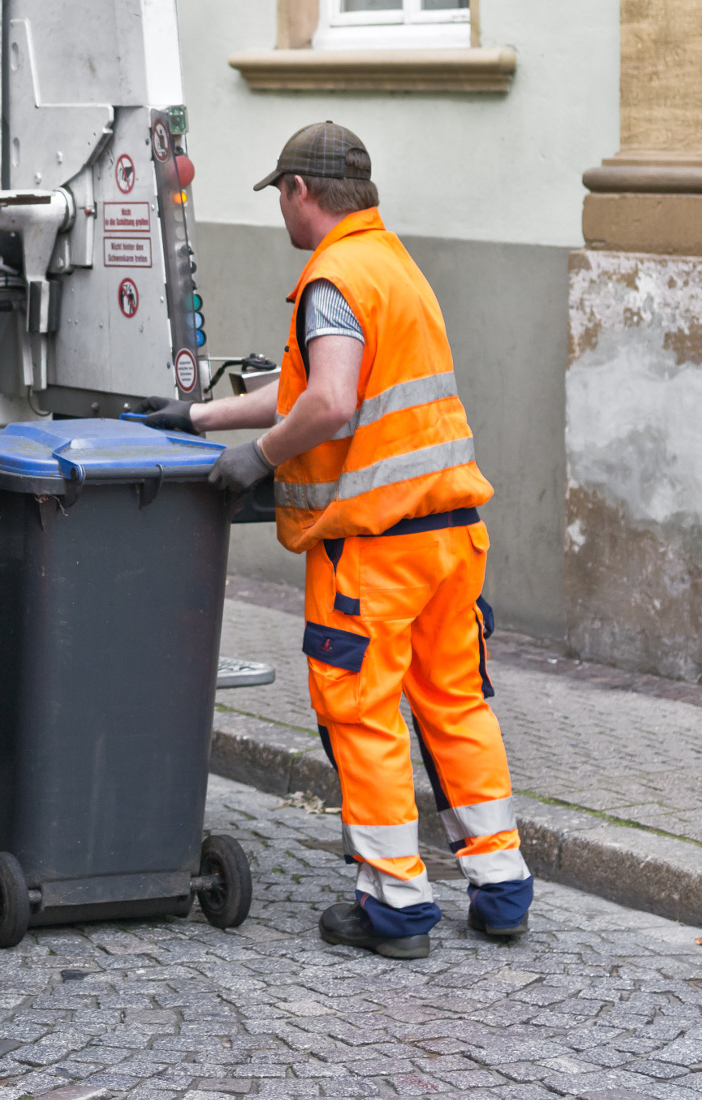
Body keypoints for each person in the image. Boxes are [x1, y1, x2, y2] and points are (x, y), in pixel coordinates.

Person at [143, 122, 532, 959]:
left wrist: (257, 459)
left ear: (297, 192)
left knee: (361, 712)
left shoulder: (329, 279)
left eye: (280, 196)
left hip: (376, 548)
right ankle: (501, 889)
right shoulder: (392, 263)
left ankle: (395, 903)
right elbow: (307, 388)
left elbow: (328, 405)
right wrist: (202, 416)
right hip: (451, 536)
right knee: (454, 704)